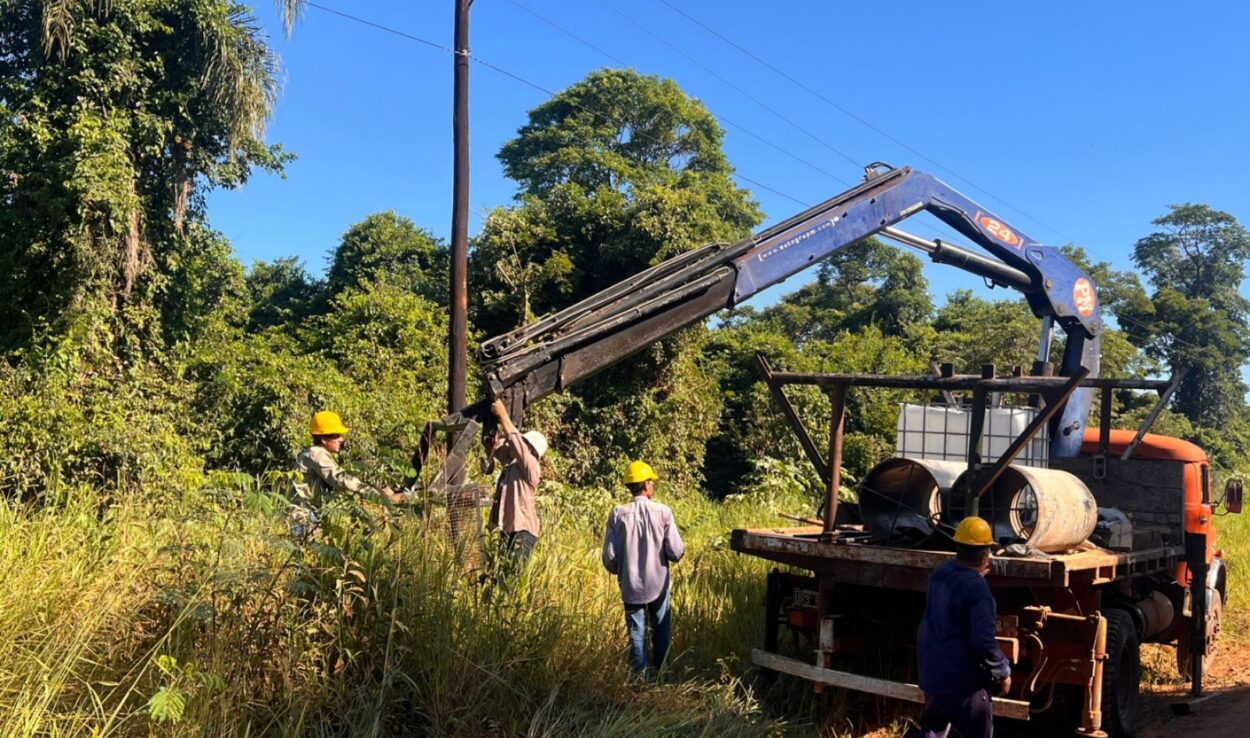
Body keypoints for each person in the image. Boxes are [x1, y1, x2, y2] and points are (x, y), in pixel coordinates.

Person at [916, 516, 1012, 738]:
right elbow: (983, 642)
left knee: (932, 730)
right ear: (986, 554)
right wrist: (1002, 670)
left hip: (933, 675)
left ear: (957, 547)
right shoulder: (978, 591)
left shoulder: (940, 573)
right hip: (963, 683)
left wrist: (974, 576)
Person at [601, 460, 686, 679]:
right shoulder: (664, 512)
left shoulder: (618, 514)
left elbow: (610, 558)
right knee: (661, 631)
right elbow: (676, 552)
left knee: (637, 634)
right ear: (647, 484)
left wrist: (623, 569)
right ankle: (662, 674)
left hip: (630, 586)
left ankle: (641, 681)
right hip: (659, 585)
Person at [290, 410, 403, 538]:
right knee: (304, 552)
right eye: (336, 435)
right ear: (323, 439)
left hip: (311, 513)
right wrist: (378, 495)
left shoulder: (318, 454)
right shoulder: (317, 454)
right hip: (303, 516)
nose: (341, 439)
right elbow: (342, 480)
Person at [486, 398, 547, 574]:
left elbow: (515, 441)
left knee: (513, 577)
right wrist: (491, 444)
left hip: (522, 531)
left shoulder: (530, 465)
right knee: (500, 576)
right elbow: (499, 451)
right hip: (508, 529)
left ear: (530, 448)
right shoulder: (512, 465)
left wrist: (502, 415)